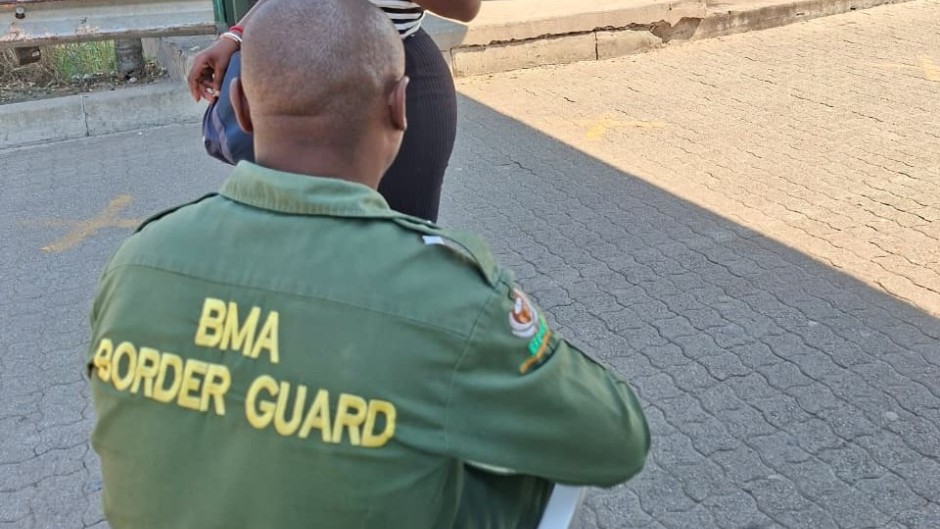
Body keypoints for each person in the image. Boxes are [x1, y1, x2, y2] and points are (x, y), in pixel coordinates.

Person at [87, 0, 650, 527]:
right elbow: (617, 438)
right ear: (400, 109)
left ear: (240, 108)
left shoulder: (137, 266)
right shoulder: (446, 303)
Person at [188, 0, 477, 222]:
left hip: (388, 70)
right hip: (293, 71)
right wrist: (236, 35)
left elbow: (465, 6)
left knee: (398, 249)